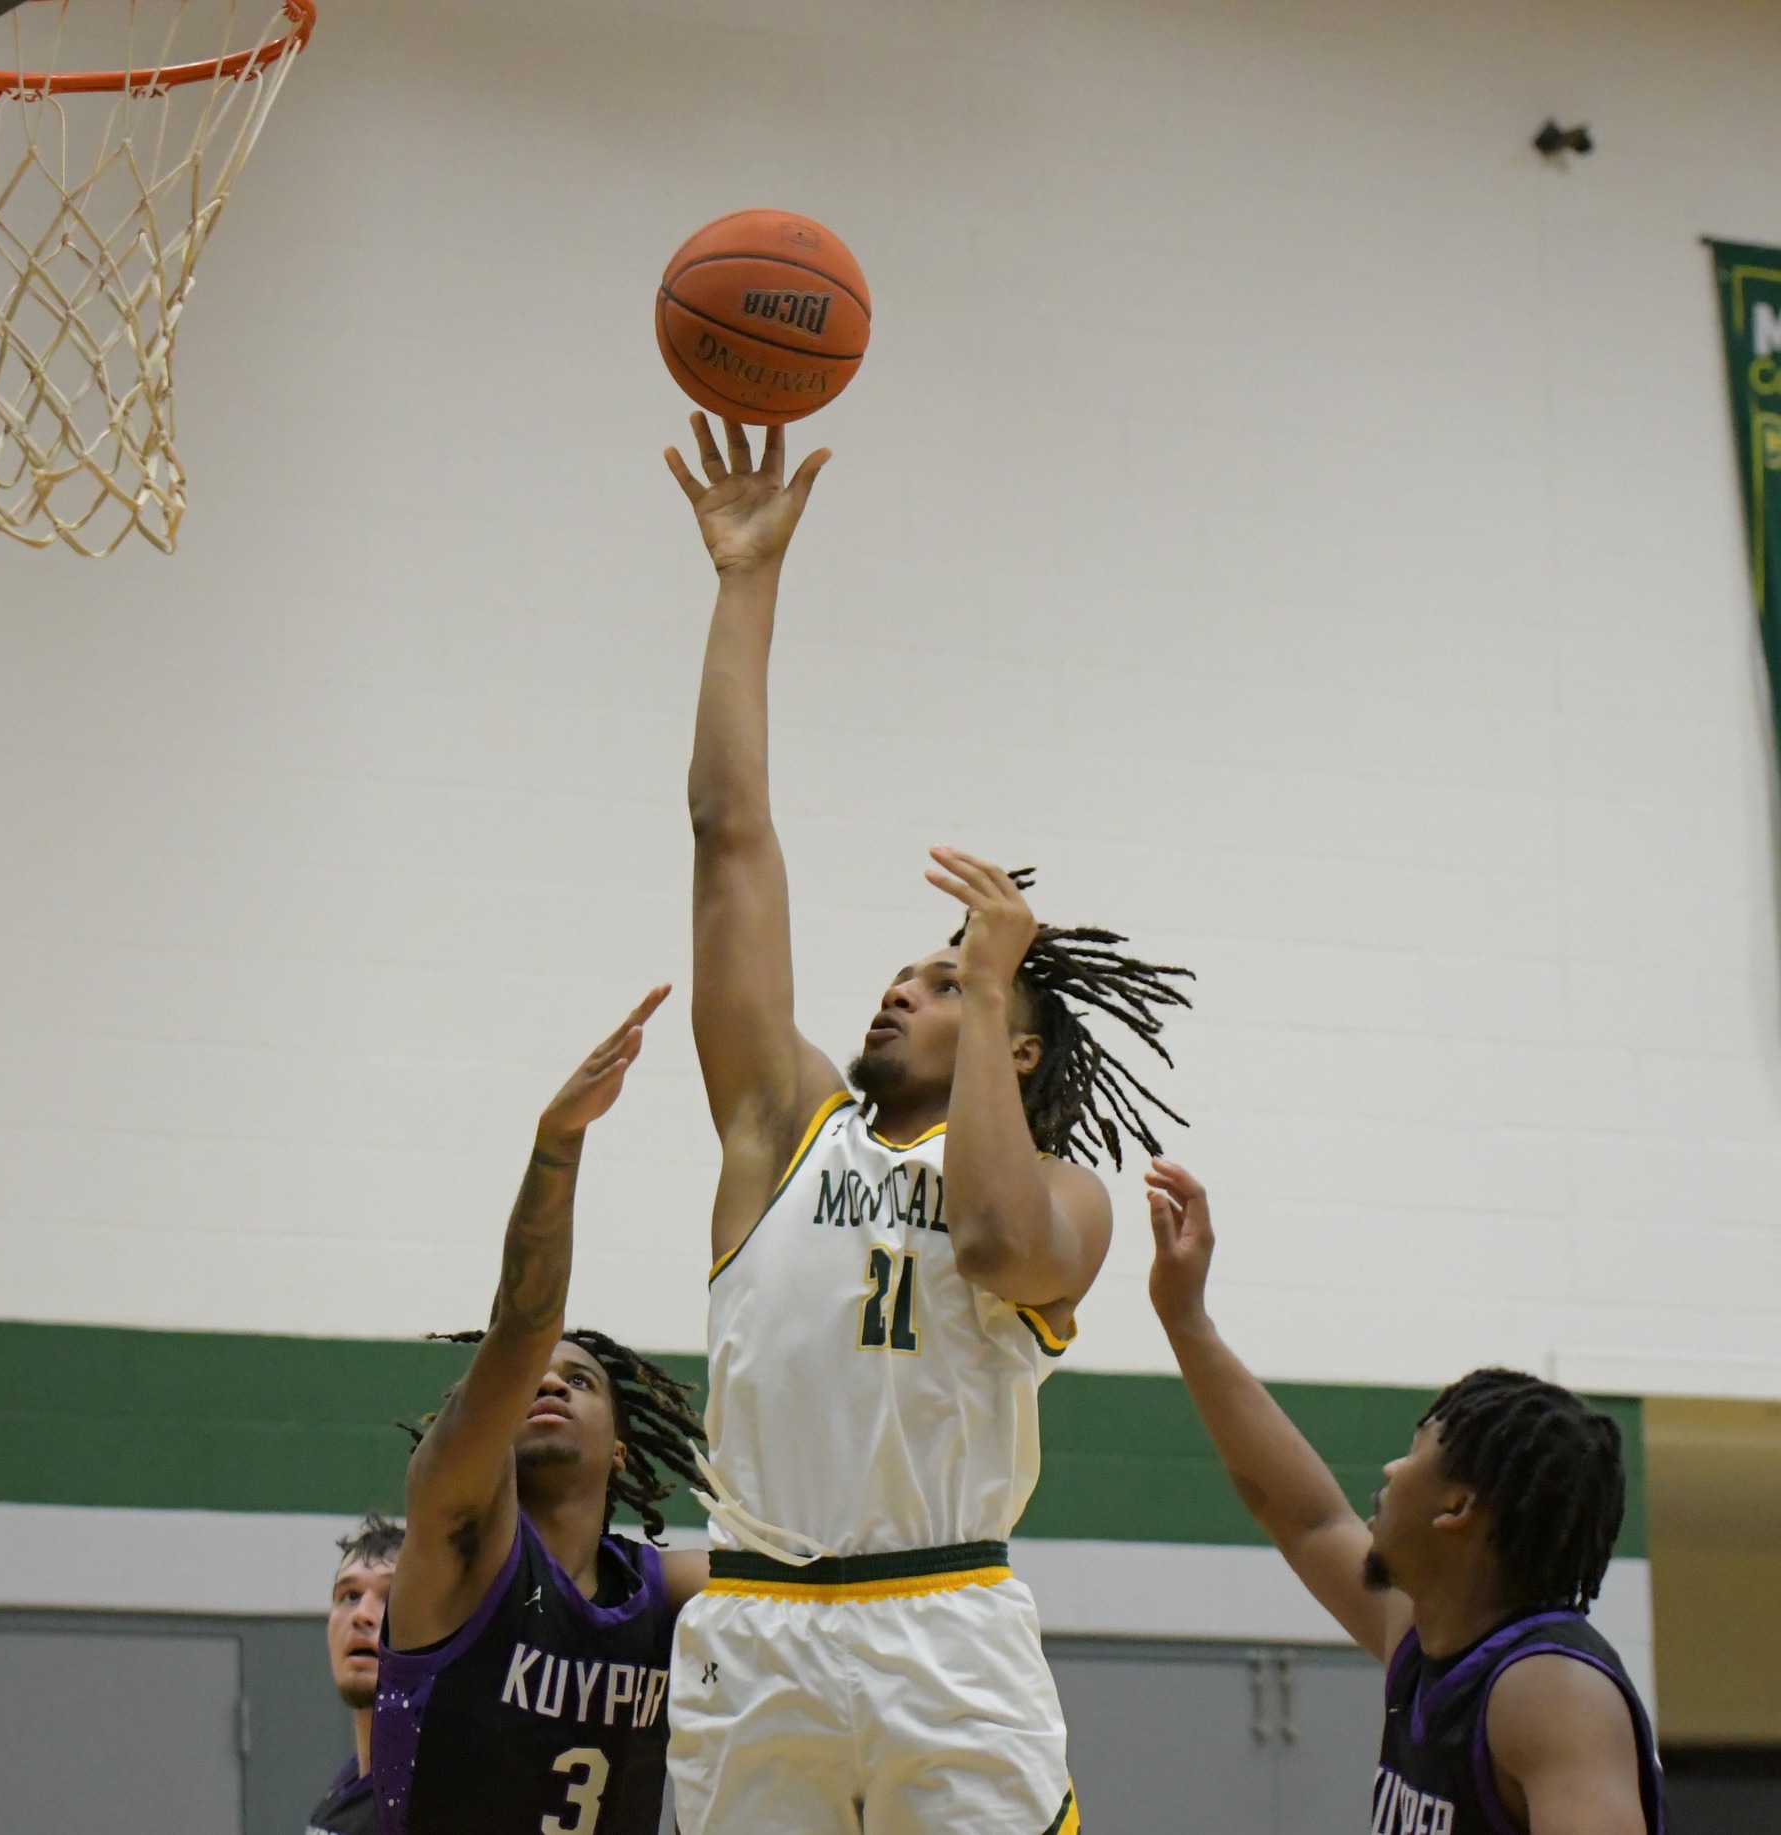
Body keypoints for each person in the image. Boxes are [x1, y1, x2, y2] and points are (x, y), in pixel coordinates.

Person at [660, 413, 1194, 1835]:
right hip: (758, 1619)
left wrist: (1001, 965)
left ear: (1014, 1042)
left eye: (945, 979)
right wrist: (744, 582)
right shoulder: (783, 1125)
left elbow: (995, 1238)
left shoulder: (1064, 1196)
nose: (902, 982)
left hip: (944, 1623)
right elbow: (730, 834)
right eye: (903, 968)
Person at [1144, 1158, 1665, 1835]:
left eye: (1417, 1450)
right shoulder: (1427, 1637)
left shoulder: (1549, 1691)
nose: (1391, 1469)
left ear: (1457, 1508)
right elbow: (1306, 1519)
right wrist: (1187, 1320)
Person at [371, 988, 713, 1834]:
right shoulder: (460, 1541)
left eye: (582, 1381)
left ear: (624, 1453)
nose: (550, 1384)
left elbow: (802, 1577)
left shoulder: (658, 1590)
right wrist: (557, 1147)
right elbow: (523, 1328)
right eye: (536, 1378)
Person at [309, 1514, 402, 1834]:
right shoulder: (353, 1781)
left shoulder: (437, 1801)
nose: (362, 1615)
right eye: (350, 1595)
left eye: (391, 1596)